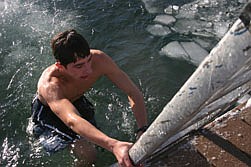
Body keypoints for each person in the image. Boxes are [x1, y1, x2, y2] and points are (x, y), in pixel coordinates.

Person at [29, 29, 148, 167]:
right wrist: (114, 145)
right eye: (79, 66)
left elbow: (132, 91)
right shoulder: (51, 84)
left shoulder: (100, 59)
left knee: (97, 142)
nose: (88, 70)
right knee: (89, 155)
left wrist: (142, 129)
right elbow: (72, 120)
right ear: (60, 66)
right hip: (49, 115)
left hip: (76, 102)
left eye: (89, 61)